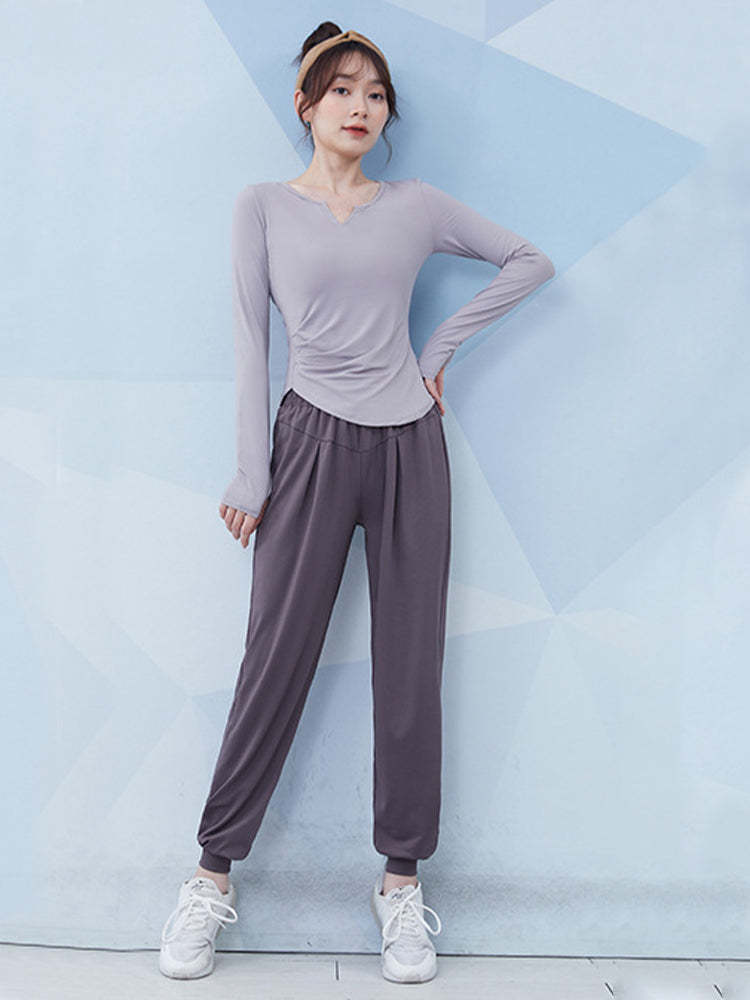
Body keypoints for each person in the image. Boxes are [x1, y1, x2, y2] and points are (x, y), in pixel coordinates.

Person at [159, 22, 555, 985]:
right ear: (306, 105)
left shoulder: (415, 206)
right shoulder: (261, 207)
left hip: (411, 446)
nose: (360, 106)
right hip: (310, 444)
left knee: (409, 669)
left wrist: (436, 352)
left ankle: (401, 887)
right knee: (274, 662)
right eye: (341, 89)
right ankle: (210, 877)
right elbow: (251, 343)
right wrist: (251, 473)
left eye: (375, 94)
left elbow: (528, 261)